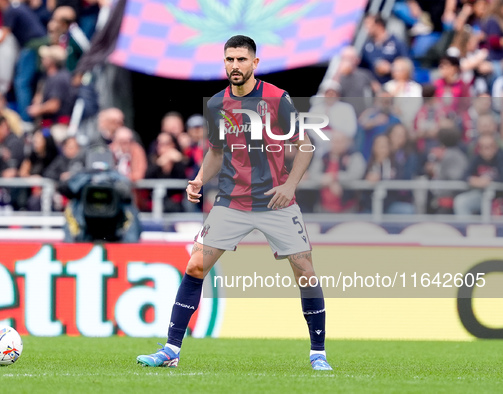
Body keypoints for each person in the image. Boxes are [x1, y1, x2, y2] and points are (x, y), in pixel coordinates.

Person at [136, 35, 332, 371]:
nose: (235, 66)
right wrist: (199, 179)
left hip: (276, 202)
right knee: (195, 265)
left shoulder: (276, 98)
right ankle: (170, 350)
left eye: (242, 60)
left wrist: (289, 184)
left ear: (255, 63)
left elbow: (305, 145)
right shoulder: (215, 105)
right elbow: (215, 151)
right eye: (230, 59)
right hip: (232, 201)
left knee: (305, 272)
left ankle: (318, 354)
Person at [454, 134, 503, 215]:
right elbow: (464, 175)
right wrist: (473, 180)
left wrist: (489, 182)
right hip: (482, 194)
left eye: (490, 146)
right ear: (479, 149)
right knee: (461, 201)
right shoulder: (477, 158)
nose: (487, 150)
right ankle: (466, 227)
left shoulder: (501, 157)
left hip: (499, 196)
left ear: (496, 147)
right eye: (483, 147)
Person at [361, 15, 408, 83]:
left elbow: (407, 64)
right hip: (373, 86)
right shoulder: (367, 45)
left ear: (379, 25)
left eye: (369, 24)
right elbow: (363, 68)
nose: (366, 28)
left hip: (393, 84)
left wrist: (391, 68)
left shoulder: (397, 43)